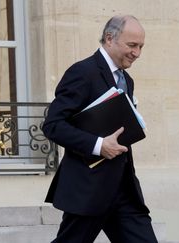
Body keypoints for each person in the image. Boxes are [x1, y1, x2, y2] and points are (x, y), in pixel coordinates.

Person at [42, 14, 158, 243]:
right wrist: (99, 145)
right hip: (89, 189)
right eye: (132, 45)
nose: (137, 53)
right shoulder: (83, 72)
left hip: (124, 191)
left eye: (141, 47)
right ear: (109, 38)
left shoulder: (127, 80)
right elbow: (53, 125)